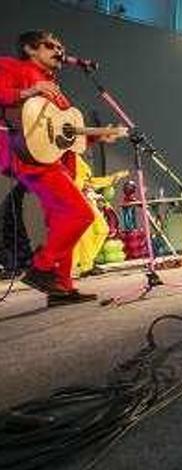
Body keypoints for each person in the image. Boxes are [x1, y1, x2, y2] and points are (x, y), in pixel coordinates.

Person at [0, 30, 122, 305]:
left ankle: (62, 289)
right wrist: (29, 90)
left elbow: (64, 138)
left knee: (60, 223)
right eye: (50, 46)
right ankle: (41, 268)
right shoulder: (12, 66)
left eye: (60, 47)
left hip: (54, 161)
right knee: (80, 214)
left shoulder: (54, 88)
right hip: (30, 159)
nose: (59, 51)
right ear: (31, 49)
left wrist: (96, 136)